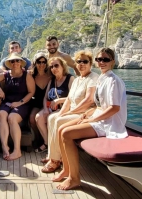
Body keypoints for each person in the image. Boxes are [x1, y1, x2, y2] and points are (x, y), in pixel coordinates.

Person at [55, 47, 128, 190]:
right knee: (61, 128)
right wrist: (87, 114)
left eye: (105, 59)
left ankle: (74, 178)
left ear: (112, 61)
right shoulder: (102, 78)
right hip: (98, 117)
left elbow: (114, 108)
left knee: (66, 133)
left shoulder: (113, 81)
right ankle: (67, 169)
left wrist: (91, 120)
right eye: (99, 59)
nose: (102, 62)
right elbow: (100, 105)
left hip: (110, 124)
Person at [41, 50, 99, 173]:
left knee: (59, 121)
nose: (81, 64)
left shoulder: (93, 78)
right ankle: (54, 156)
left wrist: (68, 113)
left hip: (84, 114)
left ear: (90, 63)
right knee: (52, 118)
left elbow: (89, 100)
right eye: (79, 61)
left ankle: (55, 160)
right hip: (73, 112)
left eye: (85, 61)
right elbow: (69, 99)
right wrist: (62, 112)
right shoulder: (78, 79)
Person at [0, 53, 35, 161]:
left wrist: (19, 102)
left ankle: (17, 150)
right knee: (1, 114)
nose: (15, 63)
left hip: (23, 103)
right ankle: (4, 146)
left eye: (17, 60)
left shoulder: (27, 75)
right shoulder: (6, 74)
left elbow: (31, 92)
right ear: (9, 63)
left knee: (12, 118)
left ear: (21, 62)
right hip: (7, 102)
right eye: (12, 61)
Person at [34, 57, 74, 153]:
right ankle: (47, 143)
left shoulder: (70, 78)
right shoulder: (52, 80)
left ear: (62, 66)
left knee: (51, 118)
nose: (54, 68)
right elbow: (45, 97)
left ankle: (55, 148)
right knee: (38, 117)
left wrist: (59, 100)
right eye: (51, 66)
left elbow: (73, 97)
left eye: (56, 65)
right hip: (51, 108)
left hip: (64, 108)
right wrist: (45, 109)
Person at [28, 52, 51, 144]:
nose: (41, 64)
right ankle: (38, 139)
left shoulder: (51, 75)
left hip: (48, 102)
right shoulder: (31, 75)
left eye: (44, 62)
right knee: (32, 118)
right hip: (36, 102)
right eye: (39, 62)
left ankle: (47, 141)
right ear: (35, 63)